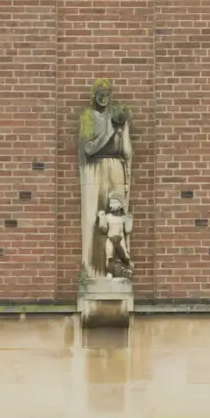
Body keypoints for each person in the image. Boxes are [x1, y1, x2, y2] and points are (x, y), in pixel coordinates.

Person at [77, 79, 132, 279]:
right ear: (95, 94)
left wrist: (123, 128)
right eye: (101, 93)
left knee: (117, 213)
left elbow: (126, 153)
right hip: (95, 168)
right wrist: (109, 131)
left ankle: (117, 268)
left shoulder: (115, 115)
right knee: (95, 217)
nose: (104, 97)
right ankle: (93, 271)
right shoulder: (88, 117)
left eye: (108, 93)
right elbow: (88, 148)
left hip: (116, 167)